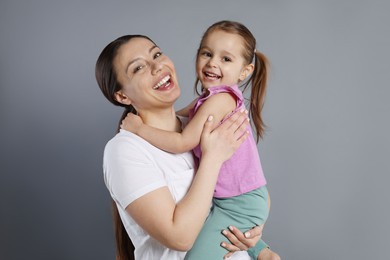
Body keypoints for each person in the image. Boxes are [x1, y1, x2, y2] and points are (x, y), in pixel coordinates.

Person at [96, 34, 274, 260]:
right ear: (122, 95)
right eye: (139, 67)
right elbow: (180, 237)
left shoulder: (200, 126)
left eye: (157, 54)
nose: (157, 66)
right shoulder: (125, 149)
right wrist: (212, 157)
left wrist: (252, 237)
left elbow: (248, 183)